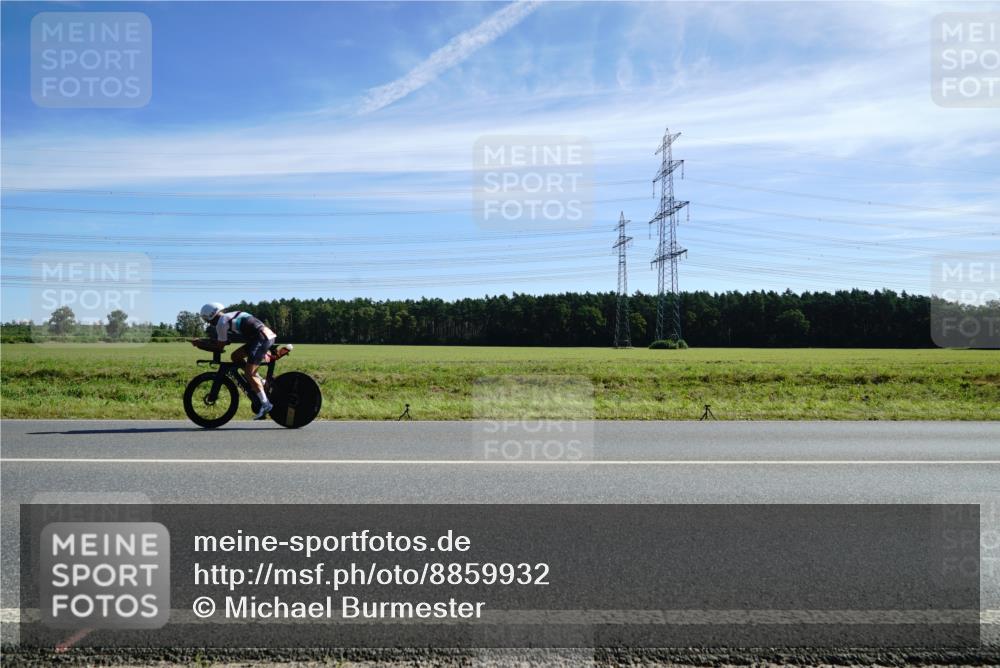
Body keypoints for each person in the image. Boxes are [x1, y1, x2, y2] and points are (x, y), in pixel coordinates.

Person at [193, 302, 277, 419]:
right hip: (262, 337)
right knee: (236, 356)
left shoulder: (221, 323)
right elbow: (225, 341)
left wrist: (200, 345)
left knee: (249, 373)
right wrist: (203, 341)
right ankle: (260, 381)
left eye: (207, 321)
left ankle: (266, 404)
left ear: (209, 318)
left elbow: (219, 347)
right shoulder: (229, 317)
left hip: (261, 339)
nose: (208, 323)